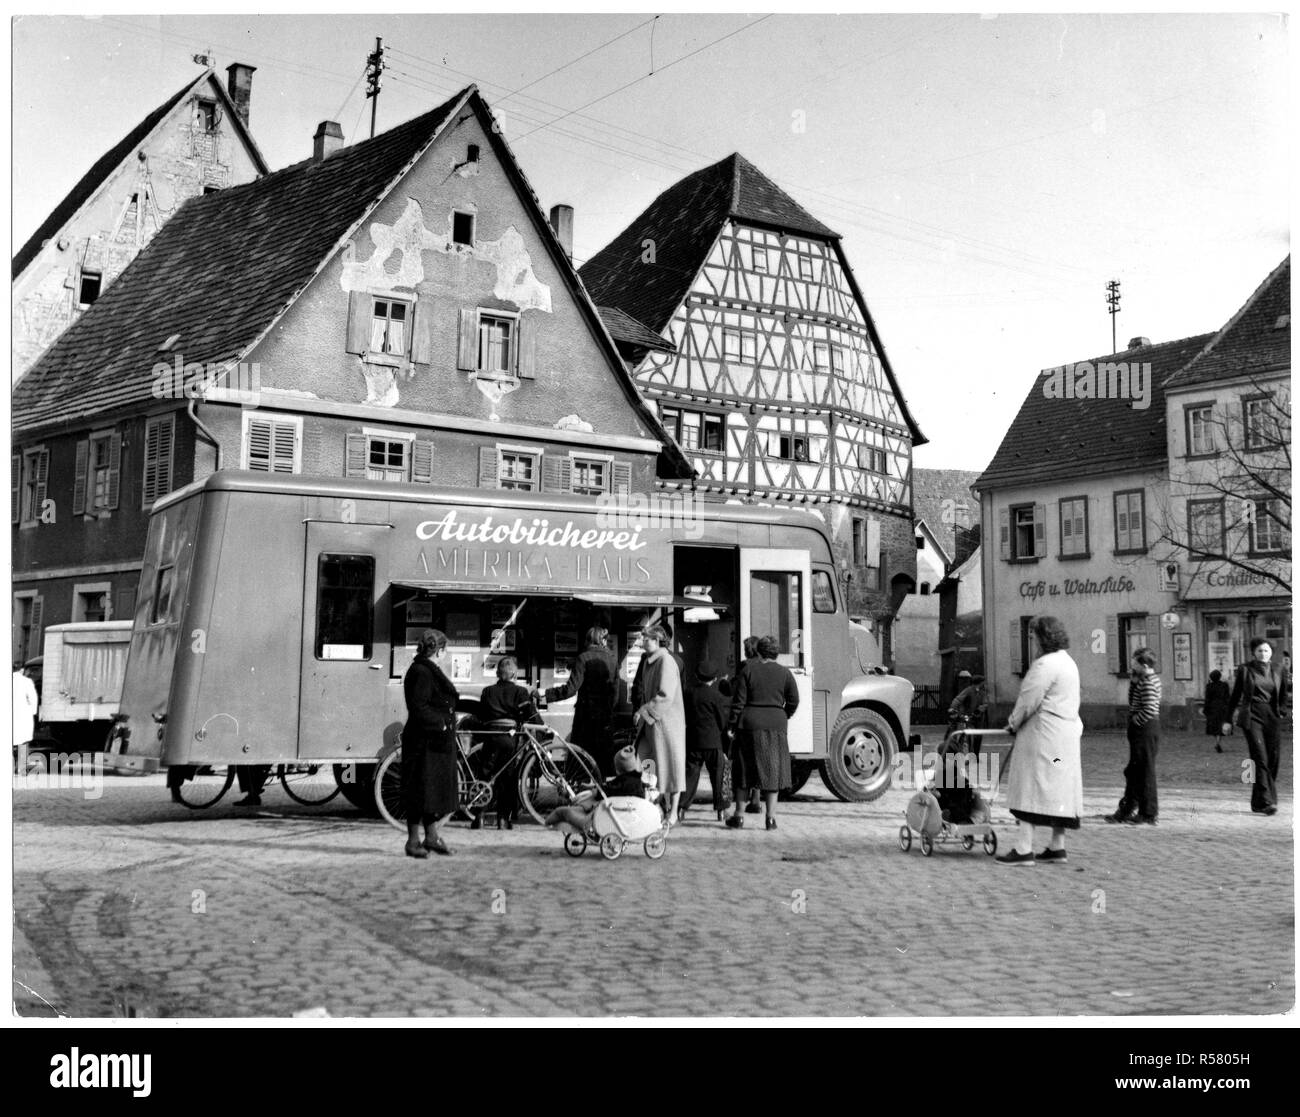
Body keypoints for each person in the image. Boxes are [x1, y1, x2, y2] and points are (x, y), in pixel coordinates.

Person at [998, 615, 1083, 865]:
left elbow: (1028, 700)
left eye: (1034, 636)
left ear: (1043, 638)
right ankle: (1057, 845)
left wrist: (1013, 723)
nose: (1032, 641)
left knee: (1030, 786)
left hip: (1043, 737)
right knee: (1059, 788)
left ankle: (1024, 848)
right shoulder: (1069, 663)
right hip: (1064, 739)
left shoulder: (1044, 665)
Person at [725, 634, 799, 832]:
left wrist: (732, 725)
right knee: (772, 772)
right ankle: (771, 819)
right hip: (776, 725)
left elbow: (739, 702)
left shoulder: (748, 670)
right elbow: (794, 700)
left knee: (743, 772)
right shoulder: (785, 673)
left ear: (758, 651)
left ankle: (739, 816)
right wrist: (783, 714)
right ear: (776, 653)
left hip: (749, 724)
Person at [400, 629, 460, 857]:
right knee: (419, 792)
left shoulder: (425, 669)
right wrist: (442, 724)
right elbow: (419, 707)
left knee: (429, 793)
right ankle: (413, 842)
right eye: (446, 649)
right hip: (424, 742)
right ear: (440, 650)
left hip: (432, 742)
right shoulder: (422, 672)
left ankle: (432, 837)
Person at [543, 626, 618, 776]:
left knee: (581, 757)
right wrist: (608, 710)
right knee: (603, 758)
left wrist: (547, 694)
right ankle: (602, 792)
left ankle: (580, 791)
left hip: (586, 716)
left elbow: (571, 689)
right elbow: (615, 693)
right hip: (605, 717)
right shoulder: (612, 659)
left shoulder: (583, 658)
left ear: (589, 640)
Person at [1227, 637, 1289, 816]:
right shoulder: (1245, 669)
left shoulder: (1279, 669)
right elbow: (1235, 695)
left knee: (1273, 759)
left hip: (1272, 716)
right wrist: (1227, 719)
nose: (1263, 654)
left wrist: (1283, 711)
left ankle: (1258, 802)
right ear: (1253, 652)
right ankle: (1268, 801)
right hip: (1252, 716)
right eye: (1260, 650)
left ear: (1271, 653)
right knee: (1260, 758)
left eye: (1266, 650)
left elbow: (1283, 694)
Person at [633, 625, 687, 826]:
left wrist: (643, 711)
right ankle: (653, 808)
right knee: (647, 764)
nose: (642, 642)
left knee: (671, 768)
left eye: (645, 639)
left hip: (667, 725)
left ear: (656, 640)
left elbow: (665, 695)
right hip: (654, 723)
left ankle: (672, 813)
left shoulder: (665, 661)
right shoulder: (651, 661)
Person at [476, 655, 534, 829]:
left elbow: (481, 716)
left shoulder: (487, 691)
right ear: (514, 674)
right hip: (509, 739)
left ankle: (479, 817)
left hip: (491, 737)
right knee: (507, 778)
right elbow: (529, 714)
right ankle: (503, 819)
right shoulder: (520, 692)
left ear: (497, 673)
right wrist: (542, 728)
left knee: (485, 775)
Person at [1107, 647, 1162, 825]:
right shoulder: (1143, 680)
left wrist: (1135, 721)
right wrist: (1133, 681)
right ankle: (1128, 807)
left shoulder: (1148, 682)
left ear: (1144, 665)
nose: (1132, 665)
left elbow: (1149, 708)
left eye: (1135, 662)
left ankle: (1148, 812)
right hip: (1143, 727)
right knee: (1134, 770)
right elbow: (1134, 700)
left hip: (1145, 728)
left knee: (1145, 771)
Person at [545, 745, 645, 832]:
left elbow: (607, 791)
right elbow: (610, 786)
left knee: (565, 811)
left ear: (619, 769)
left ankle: (565, 813)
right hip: (622, 812)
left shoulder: (623, 784)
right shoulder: (634, 782)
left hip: (607, 814)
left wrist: (595, 791)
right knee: (587, 799)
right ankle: (576, 808)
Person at [680, 658, 730, 822]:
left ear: (696, 676)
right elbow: (722, 721)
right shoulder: (716, 696)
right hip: (713, 741)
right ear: (715, 678)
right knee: (718, 775)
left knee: (690, 775)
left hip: (693, 740)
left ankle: (681, 808)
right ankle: (721, 810)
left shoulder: (688, 693)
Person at [12, 664, 39, 771]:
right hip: (23, 714)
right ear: (22, 670)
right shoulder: (27, 681)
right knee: (23, 741)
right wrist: (33, 712)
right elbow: (33, 698)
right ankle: (21, 768)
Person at [1203, 669, 1232, 754]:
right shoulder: (1224, 685)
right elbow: (1227, 697)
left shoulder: (1209, 686)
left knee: (1214, 726)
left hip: (1213, 707)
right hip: (1222, 707)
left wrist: (1206, 709)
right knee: (1221, 726)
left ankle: (1217, 741)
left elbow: (1207, 698)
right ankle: (1218, 742)